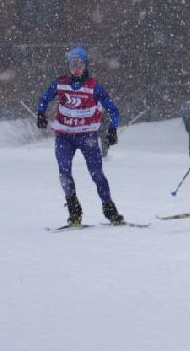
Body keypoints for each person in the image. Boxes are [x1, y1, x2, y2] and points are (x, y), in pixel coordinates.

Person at [36, 45, 124, 225]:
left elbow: (114, 111)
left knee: (97, 174)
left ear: (86, 65)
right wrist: (40, 114)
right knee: (64, 172)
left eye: (80, 64)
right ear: (68, 66)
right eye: (72, 64)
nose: (76, 68)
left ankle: (110, 210)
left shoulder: (94, 87)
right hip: (64, 136)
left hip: (87, 136)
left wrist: (113, 130)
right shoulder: (60, 83)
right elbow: (44, 99)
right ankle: (74, 211)